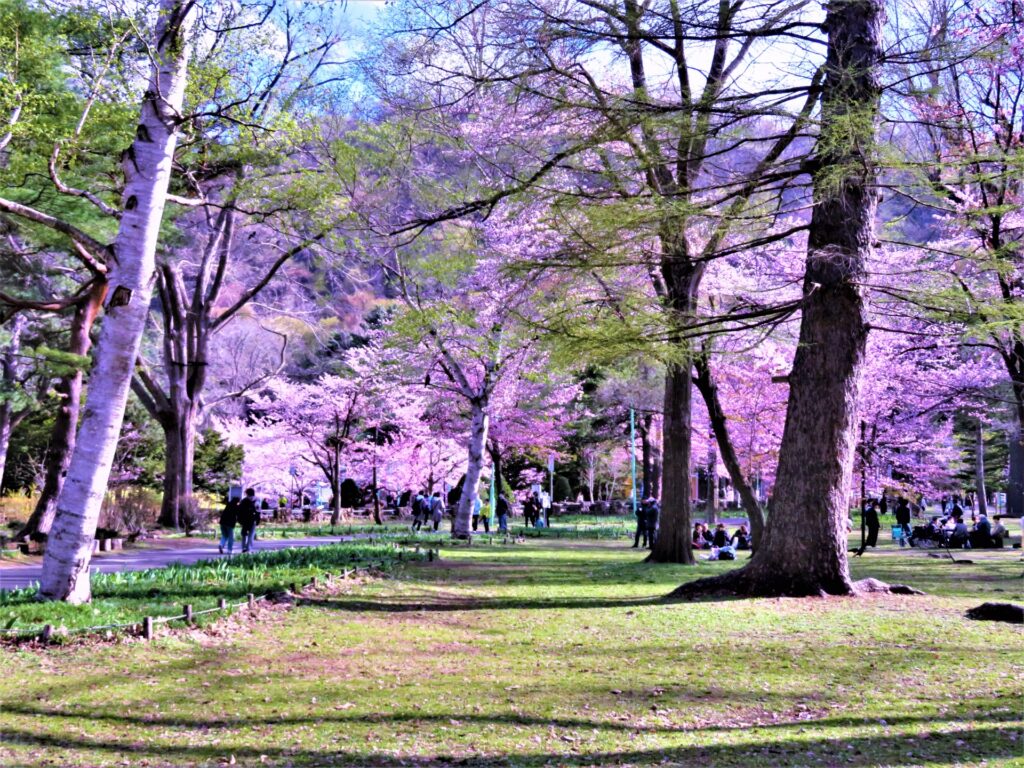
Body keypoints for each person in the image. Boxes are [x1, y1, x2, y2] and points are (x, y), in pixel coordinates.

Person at [238, 487, 260, 553]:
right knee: (251, 535)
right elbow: (258, 511)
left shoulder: (244, 501)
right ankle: (248, 548)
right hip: (253, 520)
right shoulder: (257, 501)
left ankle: (243, 548)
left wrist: (239, 520)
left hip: (245, 520)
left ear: (247, 494)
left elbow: (239, 511)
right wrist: (258, 520)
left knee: (244, 534)